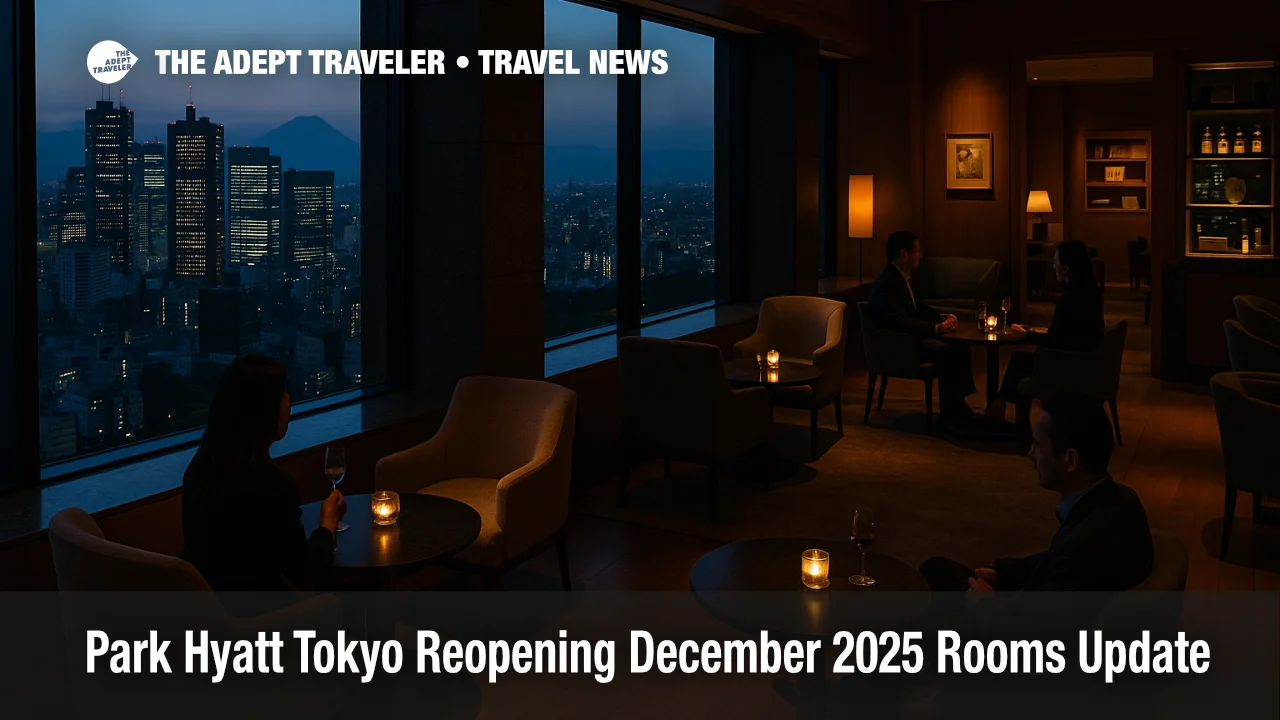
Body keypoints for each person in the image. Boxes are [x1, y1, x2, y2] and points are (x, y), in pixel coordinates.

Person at [919, 393, 1153, 593]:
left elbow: (1034, 630)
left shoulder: (1084, 543)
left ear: (1070, 460)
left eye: (1038, 445)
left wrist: (985, 606)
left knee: (931, 579)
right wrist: (1002, 573)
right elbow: (1055, 561)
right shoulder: (1120, 499)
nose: (1031, 455)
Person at [181, 354, 347, 592]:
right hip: (262, 619)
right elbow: (303, 571)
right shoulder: (272, 487)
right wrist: (327, 524)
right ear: (265, 412)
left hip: (211, 614)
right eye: (282, 395)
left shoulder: (199, 470)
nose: (288, 402)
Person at [868, 230, 978, 433]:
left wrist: (941, 317)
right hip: (898, 346)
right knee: (949, 351)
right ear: (904, 254)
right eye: (917, 251)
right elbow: (899, 322)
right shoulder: (888, 283)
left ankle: (957, 406)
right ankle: (950, 414)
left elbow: (915, 307)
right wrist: (935, 329)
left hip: (906, 340)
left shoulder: (900, 277)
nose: (921, 256)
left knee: (959, 344)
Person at [986, 240, 1105, 423]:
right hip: (1085, 360)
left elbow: (1055, 340)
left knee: (1020, 361)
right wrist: (1032, 332)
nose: (1053, 266)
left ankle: (1004, 413)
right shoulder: (1089, 292)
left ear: (1066, 268)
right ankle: (1001, 408)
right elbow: (1067, 334)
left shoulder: (1071, 299)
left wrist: (1028, 335)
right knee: (1021, 361)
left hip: (1069, 365)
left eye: (1056, 261)